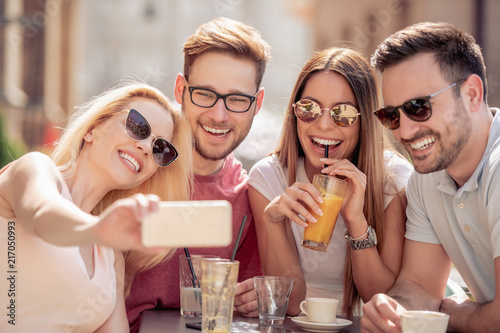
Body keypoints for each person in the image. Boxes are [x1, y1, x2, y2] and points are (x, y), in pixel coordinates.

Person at [0, 82, 192, 331]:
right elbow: (40, 214)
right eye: (138, 127)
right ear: (93, 128)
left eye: (160, 149)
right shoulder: (35, 168)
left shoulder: (110, 258)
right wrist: (100, 228)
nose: (146, 148)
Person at [125, 17, 271, 331]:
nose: (219, 115)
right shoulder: (133, 165)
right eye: (205, 94)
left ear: (256, 104)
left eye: (237, 100)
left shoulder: (252, 200)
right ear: (181, 89)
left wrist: (255, 302)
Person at [247, 47, 413, 318]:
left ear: (364, 122)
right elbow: (288, 303)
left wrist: (356, 221)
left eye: (343, 113)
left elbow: (381, 299)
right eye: (309, 109)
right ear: (295, 113)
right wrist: (275, 221)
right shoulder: (269, 177)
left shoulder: (393, 181)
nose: (324, 125)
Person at [361, 21, 500, 332]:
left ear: (473, 94)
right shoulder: (427, 177)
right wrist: (393, 310)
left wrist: (453, 315)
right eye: (391, 115)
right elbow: (420, 287)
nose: (404, 131)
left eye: (418, 107)